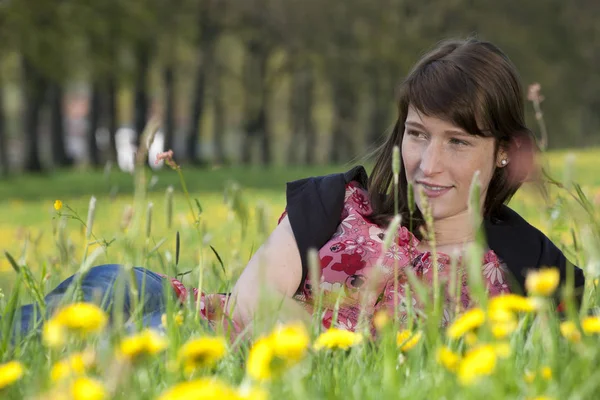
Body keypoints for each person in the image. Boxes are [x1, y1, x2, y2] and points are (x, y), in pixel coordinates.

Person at [10, 37, 585, 341]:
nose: (427, 163)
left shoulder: (528, 263)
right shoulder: (339, 202)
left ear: (503, 150)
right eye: (416, 134)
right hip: (181, 320)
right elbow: (247, 303)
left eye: (457, 142)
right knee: (84, 304)